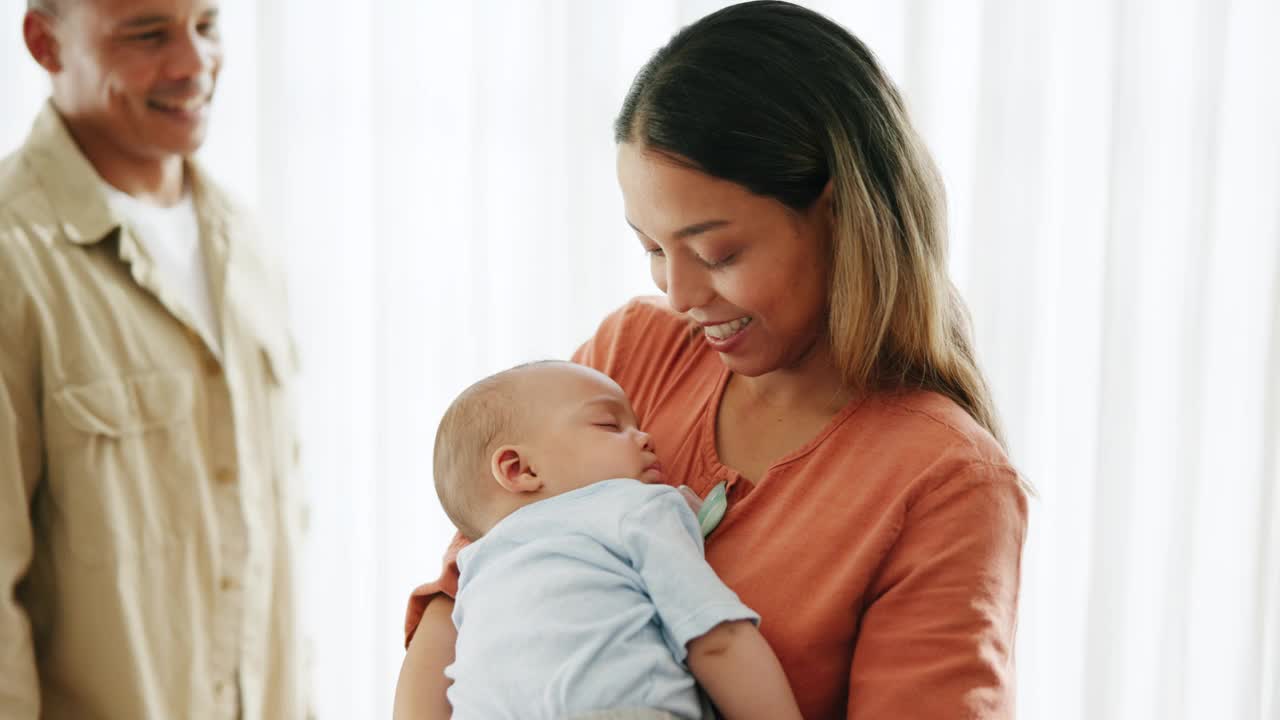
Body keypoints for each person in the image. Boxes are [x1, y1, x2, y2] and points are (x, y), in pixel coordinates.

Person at [395, 2, 1029, 718]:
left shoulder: (943, 481)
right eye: (654, 250)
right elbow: (463, 600)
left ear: (840, 212)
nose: (680, 294)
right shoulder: (623, 363)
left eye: (716, 253)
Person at [0, 1, 308, 718]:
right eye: (147, 34)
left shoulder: (249, 241)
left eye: (206, 25)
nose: (194, 63)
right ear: (45, 43)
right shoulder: (13, 263)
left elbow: (277, 545)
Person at [431, 360, 802, 720]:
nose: (645, 437)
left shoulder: (476, 569)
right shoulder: (630, 505)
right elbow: (718, 640)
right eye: (610, 425)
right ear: (521, 469)